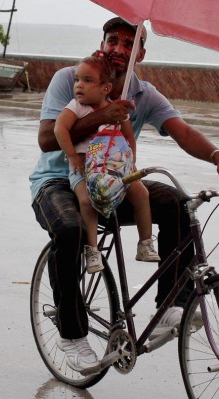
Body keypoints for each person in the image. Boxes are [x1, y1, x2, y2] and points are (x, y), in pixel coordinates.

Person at [29, 17, 219, 371]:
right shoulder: (72, 79)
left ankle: (169, 308)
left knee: (177, 204)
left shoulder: (144, 94)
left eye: (130, 44)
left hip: (113, 182)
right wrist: (101, 118)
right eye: (113, 40)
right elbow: (46, 138)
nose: (119, 48)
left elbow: (182, 130)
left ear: (140, 54)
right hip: (59, 182)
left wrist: (217, 155)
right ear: (102, 44)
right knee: (68, 230)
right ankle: (71, 333)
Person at [53, 52, 159, 276]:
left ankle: (145, 242)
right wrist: (72, 155)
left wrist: (131, 160)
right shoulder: (77, 107)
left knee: (141, 192)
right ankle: (92, 249)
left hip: (115, 168)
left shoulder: (116, 109)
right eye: (77, 80)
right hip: (85, 168)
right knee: (86, 200)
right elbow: (59, 128)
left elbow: (129, 136)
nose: (79, 86)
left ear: (105, 89)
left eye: (87, 81)